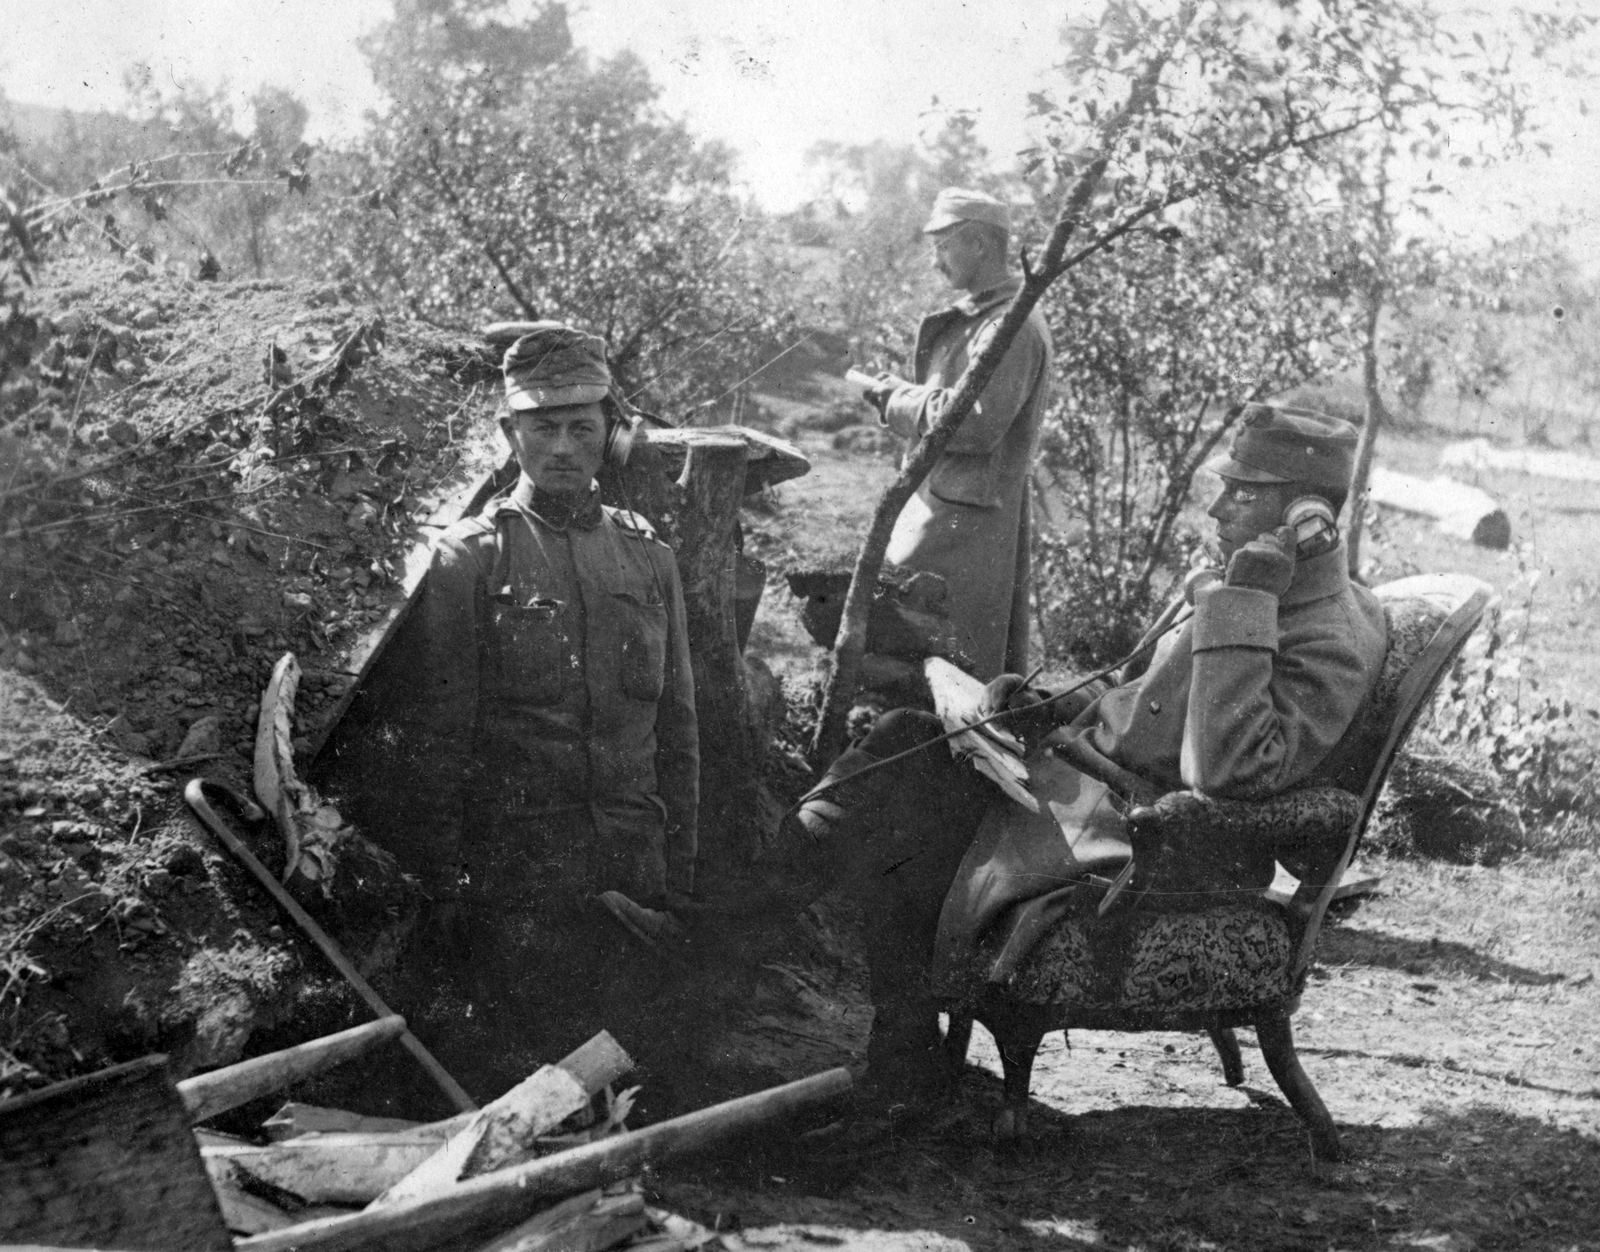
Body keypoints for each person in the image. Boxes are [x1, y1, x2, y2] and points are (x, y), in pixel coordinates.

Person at [763, 404, 1387, 1105]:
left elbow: (1228, 772)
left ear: (1308, 516)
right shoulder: (1258, 586)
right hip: (1085, 792)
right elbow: (1145, 700)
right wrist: (1045, 707)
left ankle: (739, 934)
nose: (1215, 508)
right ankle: (859, 1016)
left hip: (1152, 846)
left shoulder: (1324, 630)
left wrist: (1244, 600)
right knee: (908, 742)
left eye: (1242, 494)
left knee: (900, 781)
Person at [406, 323, 698, 1072]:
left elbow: (680, 733)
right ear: (510, 433)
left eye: (581, 427)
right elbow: (442, 740)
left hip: (634, 879)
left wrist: (680, 885)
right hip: (523, 888)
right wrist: (443, 889)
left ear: (611, 434)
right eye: (543, 427)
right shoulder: (471, 559)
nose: (563, 446)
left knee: (630, 1092)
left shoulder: (650, 558)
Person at [860, 187, 1054, 681]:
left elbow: (973, 423)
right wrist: (902, 392)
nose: (935, 263)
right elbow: (957, 400)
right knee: (919, 650)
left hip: (961, 520)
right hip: (948, 506)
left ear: (981, 245)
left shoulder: (1011, 326)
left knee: (934, 655)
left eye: (944, 246)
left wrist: (896, 401)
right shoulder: (987, 316)